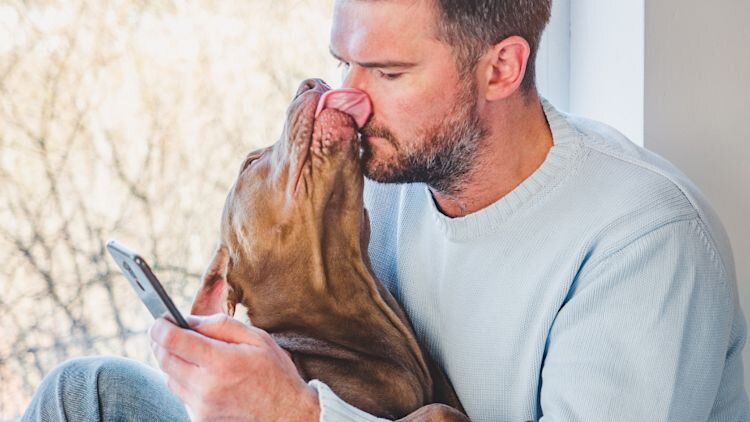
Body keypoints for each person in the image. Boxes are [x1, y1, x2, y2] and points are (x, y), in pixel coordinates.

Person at [22, 0, 749, 421]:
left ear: (501, 68)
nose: (351, 96)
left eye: (388, 71)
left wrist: (297, 415)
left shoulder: (643, 243)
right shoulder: (385, 170)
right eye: (344, 61)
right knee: (86, 393)